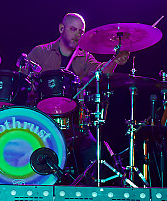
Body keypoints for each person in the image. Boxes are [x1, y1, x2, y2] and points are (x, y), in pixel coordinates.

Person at [24, 12, 129, 183]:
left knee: (93, 152)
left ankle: (84, 198)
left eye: (81, 31)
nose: (78, 34)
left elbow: (101, 73)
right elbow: (24, 84)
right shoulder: (40, 53)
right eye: (73, 29)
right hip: (44, 122)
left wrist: (115, 61)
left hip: (75, 124)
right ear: (61, 28)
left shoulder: (85, 57)